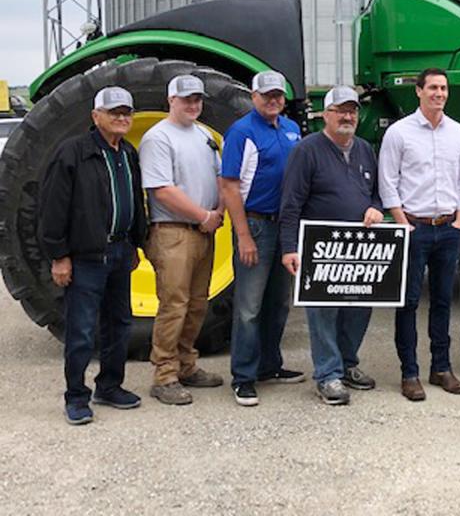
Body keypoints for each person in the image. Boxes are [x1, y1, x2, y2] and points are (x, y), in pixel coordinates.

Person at [39, 87, 148, 425]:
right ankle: (76, 397)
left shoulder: (127, 153)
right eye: (113, 111)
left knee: (120, 324)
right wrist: (59, 256)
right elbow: (52, 209)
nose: (121, 117)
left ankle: (110, 386)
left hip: (120, 251)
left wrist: (135, 244)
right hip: (86, 257)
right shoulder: (72, 153)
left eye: (126, 111)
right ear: (95, 116)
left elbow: (134, 202)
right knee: (82, 329)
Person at [280, 86, 382, 405]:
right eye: (340, 110)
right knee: (323, 312)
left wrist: (375, 207)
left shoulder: (365, 149)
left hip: (359, 248)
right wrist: (290, 247)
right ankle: (327, 374)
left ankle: (347, 363)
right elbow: (291, 203)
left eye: (352, 110)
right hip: (320, 247)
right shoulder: (307, 150)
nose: (348, 116)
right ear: (325, 115)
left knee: (359, 308)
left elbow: (377, 192)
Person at [378, 68, 460, 401]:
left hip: (448, 228)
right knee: (408, 302)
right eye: (432, 87)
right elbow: (387, 180)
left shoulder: (458, 132)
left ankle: (441, 368)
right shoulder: (399, 133)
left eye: (443, 88)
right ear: (418, 91)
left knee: (444, 302)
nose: (439, 93)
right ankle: (409, 373)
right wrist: (402, 221)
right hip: (414, 228)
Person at [139, 74, 225, 405]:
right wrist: (204, 216)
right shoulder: (157, 138)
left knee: (197, 303)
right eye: (186, 99)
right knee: (174, 304)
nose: (193, 105)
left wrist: (217, 210)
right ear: (170, 100)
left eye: (198, 99)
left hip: (204, 230)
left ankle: (187, 365)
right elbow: (162, 189)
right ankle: (164, 375)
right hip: (173, 231)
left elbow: (220, 176)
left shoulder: (203, 135)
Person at [221, 71, 305, 407]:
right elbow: (228, 185)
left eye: (278, 95)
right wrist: (243, 235)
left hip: (285, 226)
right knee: (249, 307)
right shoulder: (241, 131)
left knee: (278, 301)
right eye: (266, 95)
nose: (273, 100)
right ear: (254, 96)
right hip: (255, 225)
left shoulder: (291, 129)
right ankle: (243, 376)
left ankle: (270, 364)